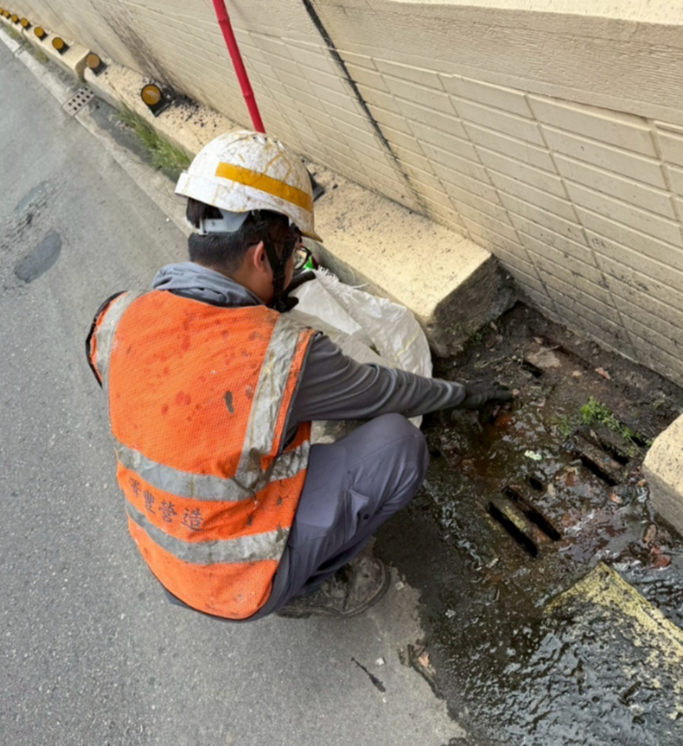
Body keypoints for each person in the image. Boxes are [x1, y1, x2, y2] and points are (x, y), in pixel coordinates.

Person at [86, 130, 510, 621]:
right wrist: (466, 396)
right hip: (234, 578)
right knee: (399, 445)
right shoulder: (276, 353)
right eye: (292, 254)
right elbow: (387, 392)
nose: (294, 267)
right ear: (263, 257)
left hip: (165, 556)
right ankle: (308, 586)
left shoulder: (120, 317)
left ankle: (272, 567)